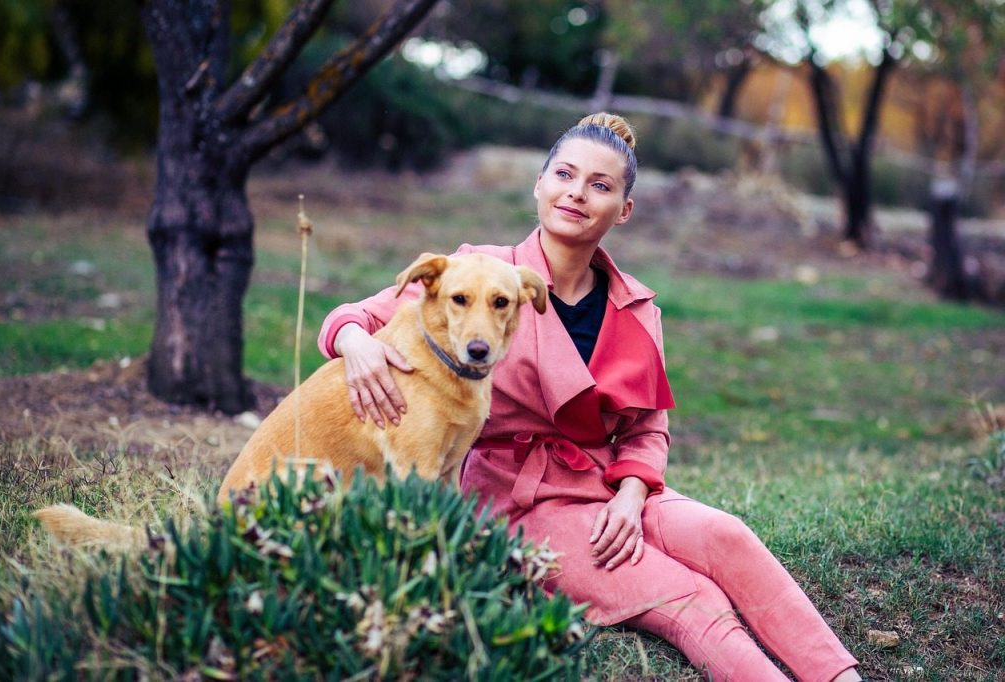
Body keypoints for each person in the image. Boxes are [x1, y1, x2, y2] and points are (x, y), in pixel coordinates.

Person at [317, 113, 862, 681]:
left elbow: (647, 428)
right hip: (518, 501)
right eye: (564, 175)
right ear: (539, 184)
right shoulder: (482, 272)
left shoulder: (638, 307)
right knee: (690, 596)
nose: (576, 193)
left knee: (728, 535)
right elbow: (354, 317)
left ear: (624, 209)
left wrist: (631, 494)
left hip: (609, 486)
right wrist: (355, 343)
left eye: (600, 185)